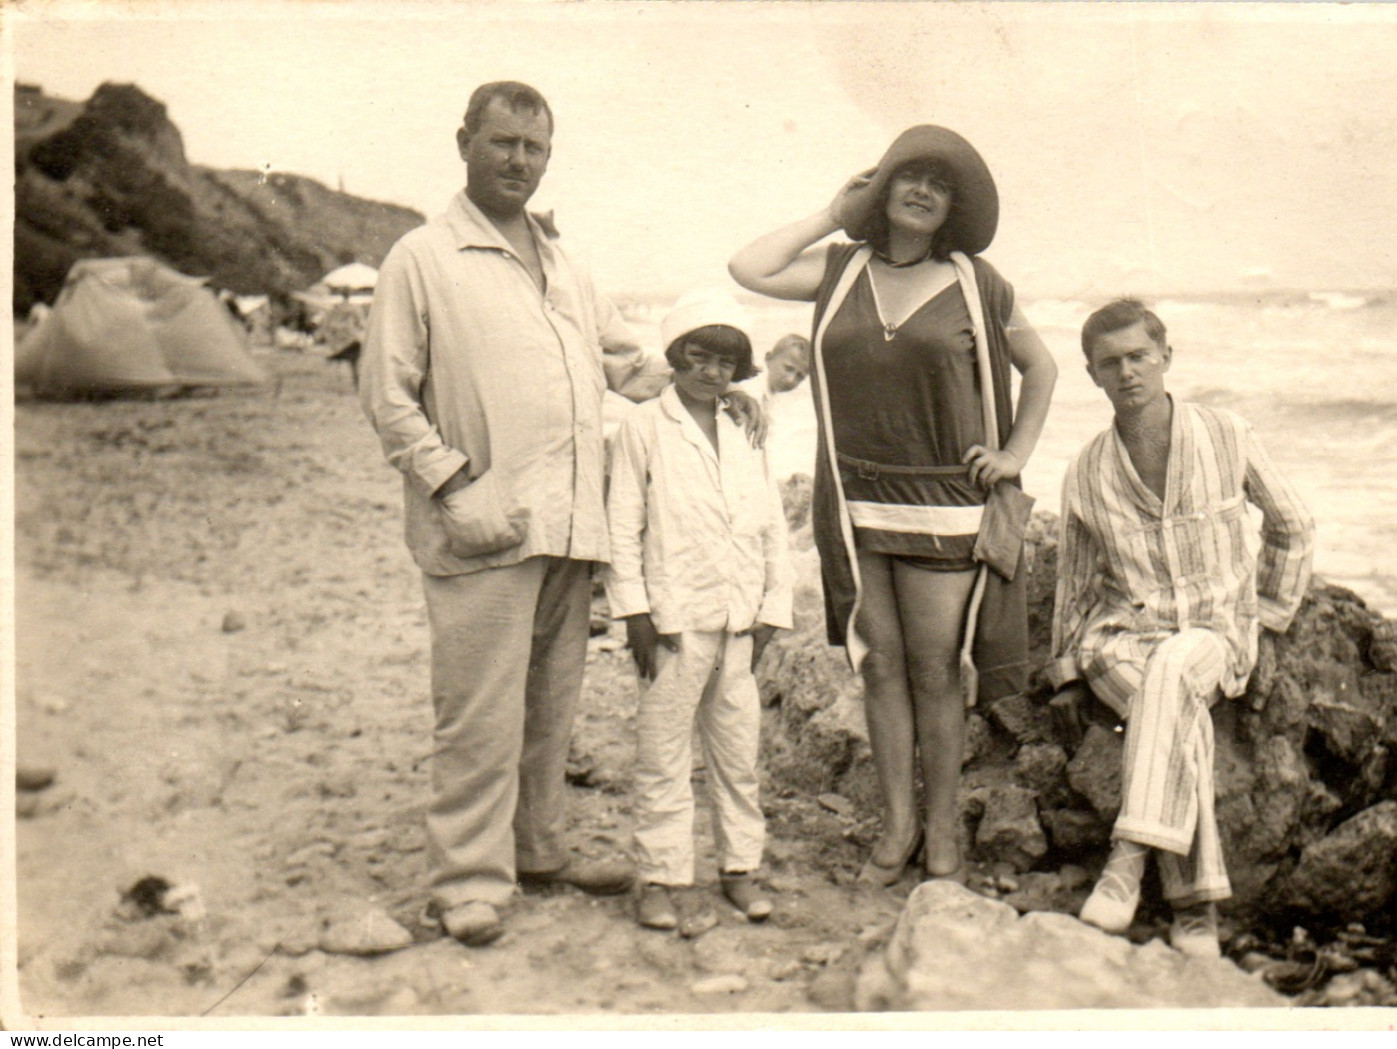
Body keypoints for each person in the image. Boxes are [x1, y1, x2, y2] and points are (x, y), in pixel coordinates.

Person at [360, 81, 684, 946]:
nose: (519, 161)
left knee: (552, 704)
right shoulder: (421, 257)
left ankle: (538, 849)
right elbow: (387, 396)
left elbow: (620, 354)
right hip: (485, 521)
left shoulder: (565, 262)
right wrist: (454, 486)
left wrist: (714, 378)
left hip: (570, 520)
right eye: (502, 143)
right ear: (463, 140)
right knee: (476, 710)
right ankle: (467, 876)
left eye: (534, 148)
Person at [729, 125, 1057, 885]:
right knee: (879, 666)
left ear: (952, 208)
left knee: (938, 669)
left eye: (938, 184)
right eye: (906, 176)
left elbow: (1039, 369)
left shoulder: (977, 283)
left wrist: (1012, 457)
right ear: (881, 190)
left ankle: (942, 833)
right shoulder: (840, 269)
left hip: (944, 502)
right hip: (854, 498)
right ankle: (896, 827)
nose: (920, 191)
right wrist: (827, 215)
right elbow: (746, 266)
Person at [1044, 299, 1315, 956]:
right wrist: (1065, 673)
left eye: (1139, 355)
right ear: (1092, 376)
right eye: (1110, 363)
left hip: (1211, 635)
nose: (1127, 371)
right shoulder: (1084, 471)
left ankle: (1127, 861)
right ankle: (1195, 913)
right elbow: (1075, 585)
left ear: (1166, 356)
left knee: (1172, 676)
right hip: (1118, 643)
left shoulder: (1225, 434)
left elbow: (1292, 526)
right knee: (1175, 714)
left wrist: (1270, 620)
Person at [607, 289, 794, 932]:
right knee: (662, 755)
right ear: (675, 356)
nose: (710, 372)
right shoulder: (643, 427)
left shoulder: (747, 424)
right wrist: (633, 612)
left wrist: (774, 607)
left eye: (725, 362)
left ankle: (740, 869)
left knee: (738, 756)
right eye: (697, 356)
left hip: (740, 619)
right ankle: (660, 876)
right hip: (673, 619)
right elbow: (622, 522)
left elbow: (770, 520)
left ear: (740, 370)